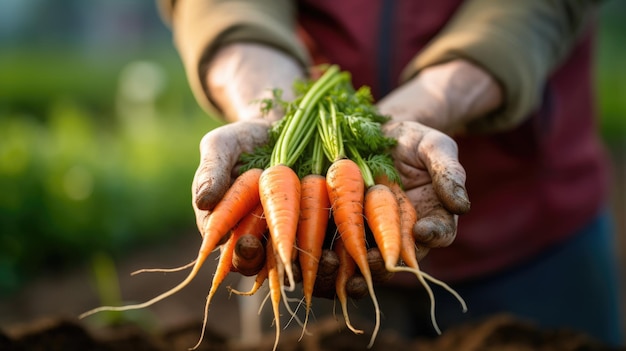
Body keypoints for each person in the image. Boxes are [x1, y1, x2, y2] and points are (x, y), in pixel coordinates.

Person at [157, 0, 624, 346]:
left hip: (532, 224)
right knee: (292, 275)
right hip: (307, 253)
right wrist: (263, 97)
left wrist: (434, 100)